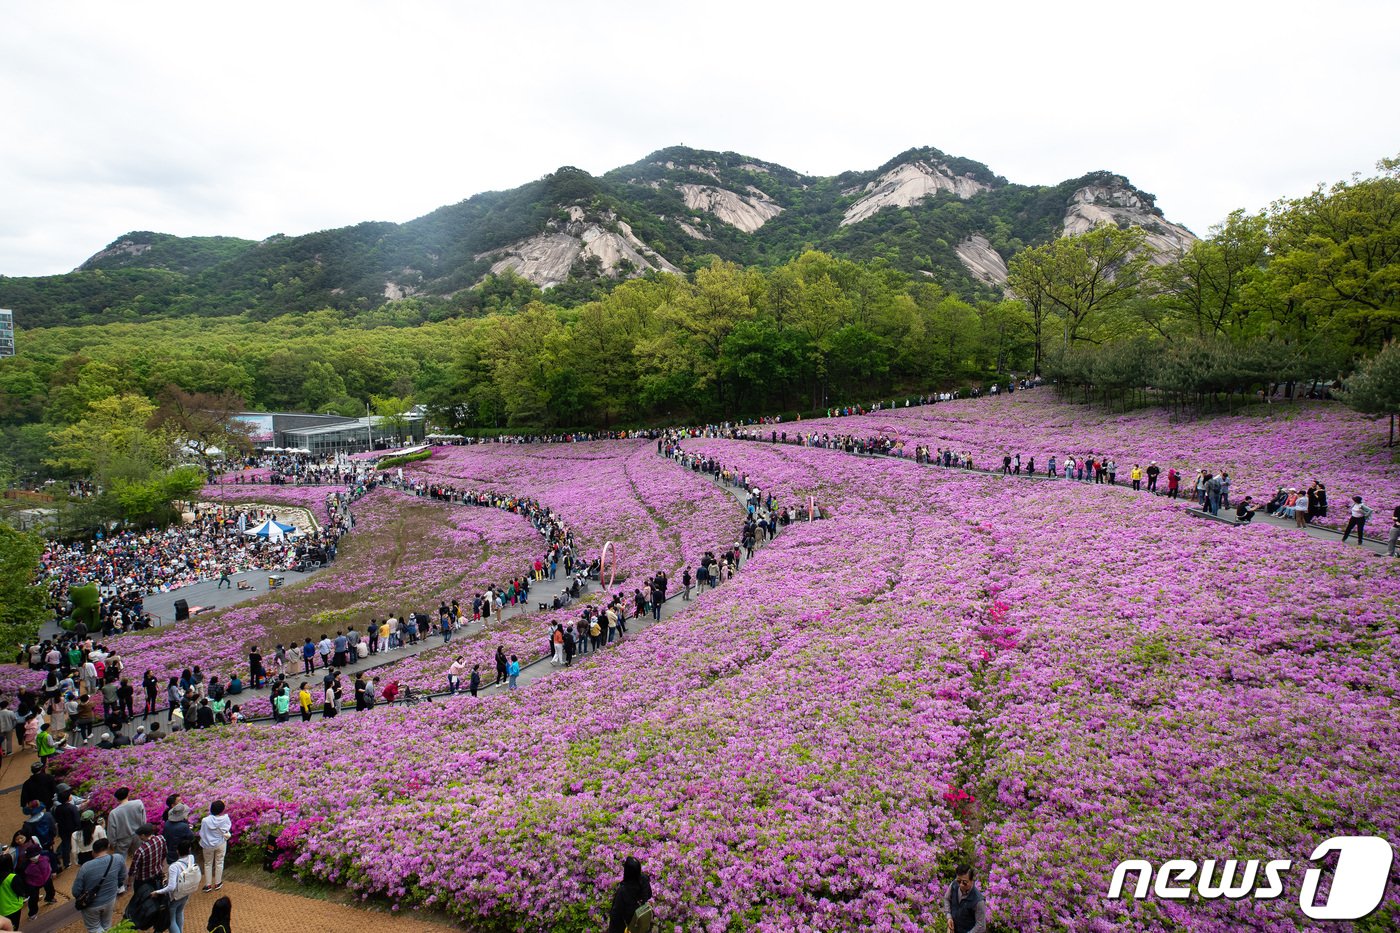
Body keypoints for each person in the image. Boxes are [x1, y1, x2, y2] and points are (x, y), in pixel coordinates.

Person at [71, 838, 124, 933]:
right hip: (110, 899)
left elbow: (75, 891)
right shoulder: (118, 858)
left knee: (94, 928)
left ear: (93, 851)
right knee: (107, 924)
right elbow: (122, 876)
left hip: (91, 904)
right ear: (107, 848)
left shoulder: (86, 867)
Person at [153, 838, 201, 933]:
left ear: (177, 851)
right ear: (189, 850)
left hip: (175, 897)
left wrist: (157, 892)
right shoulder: (191, 858)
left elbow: (171, 887)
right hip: (186, 894)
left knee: (171, 920)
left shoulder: (174, 867)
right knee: (179, 913)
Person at [607, 855, 653, 933]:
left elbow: (615, 915)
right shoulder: (644, 879)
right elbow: (649, 895)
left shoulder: (623, 891)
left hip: (629, 927)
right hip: (641, 922)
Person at [198, 801, 231, 893]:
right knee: (219, 862)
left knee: (208, 863)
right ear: (222, 810)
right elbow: (226, 829)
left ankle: (208, 885)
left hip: (208, 845)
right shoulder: (225, 819)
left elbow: (202, 833)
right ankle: (218, 883)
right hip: (220, 843)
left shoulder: (205, 820)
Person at [106, 787, 146, 860]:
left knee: (119, 861)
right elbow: (143, 820)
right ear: (128, 795)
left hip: (122, 840)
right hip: (137, 836)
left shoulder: (114, 813)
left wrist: (113, 844)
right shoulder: (138, 803)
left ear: (117, 798)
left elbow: (111, 831)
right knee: (139, 858)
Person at [945, 863, 987, 933]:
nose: (961, 885)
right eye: (958, 881)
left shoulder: (978, 900)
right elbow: (947, 899)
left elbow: (981, 926)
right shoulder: (954, 885)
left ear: (972, 880)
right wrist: (949, 917)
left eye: (964, 882)